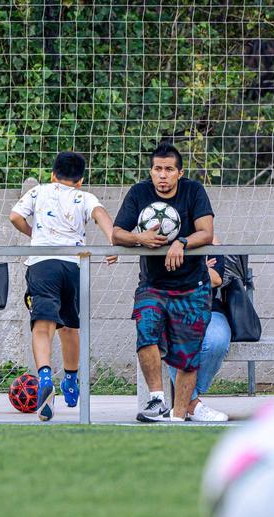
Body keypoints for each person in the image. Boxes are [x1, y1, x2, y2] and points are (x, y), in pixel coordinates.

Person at [8, 151, 117, 421]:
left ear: (53, 175)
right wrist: (113, 240)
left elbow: (14, 217)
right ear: (80, 180)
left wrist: (34, 234)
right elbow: (100, 214)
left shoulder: (39, 191)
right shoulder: (85, 197)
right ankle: (70, 379)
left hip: (42, 263)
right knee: (70, 327)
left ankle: (45, 375)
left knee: (42, 326)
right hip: (72, 265)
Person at [112, 142, 215, 423]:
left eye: (169, 169)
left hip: (192, 285)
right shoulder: (139, 192)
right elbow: (117, 233)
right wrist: (139, 238)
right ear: (151, 171)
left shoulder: (194, 191)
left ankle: (179, 416)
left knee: (187, 355)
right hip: (153, 285)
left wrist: (182, 241)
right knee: (146, 331)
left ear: (179, 173)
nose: (163, 175)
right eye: (158, 169)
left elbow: (206, 233)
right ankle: (157, 400)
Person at [165, 239, 232, 422]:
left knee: (217, 341)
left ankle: (187, 399)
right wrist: (201, 269)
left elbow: (216, 279)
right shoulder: (166, 242)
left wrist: (184, 270)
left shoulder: (211, 242)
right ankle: (193, 405)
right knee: (170, 337)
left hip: (211, 308)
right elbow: (165, 280)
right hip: (176, 310)